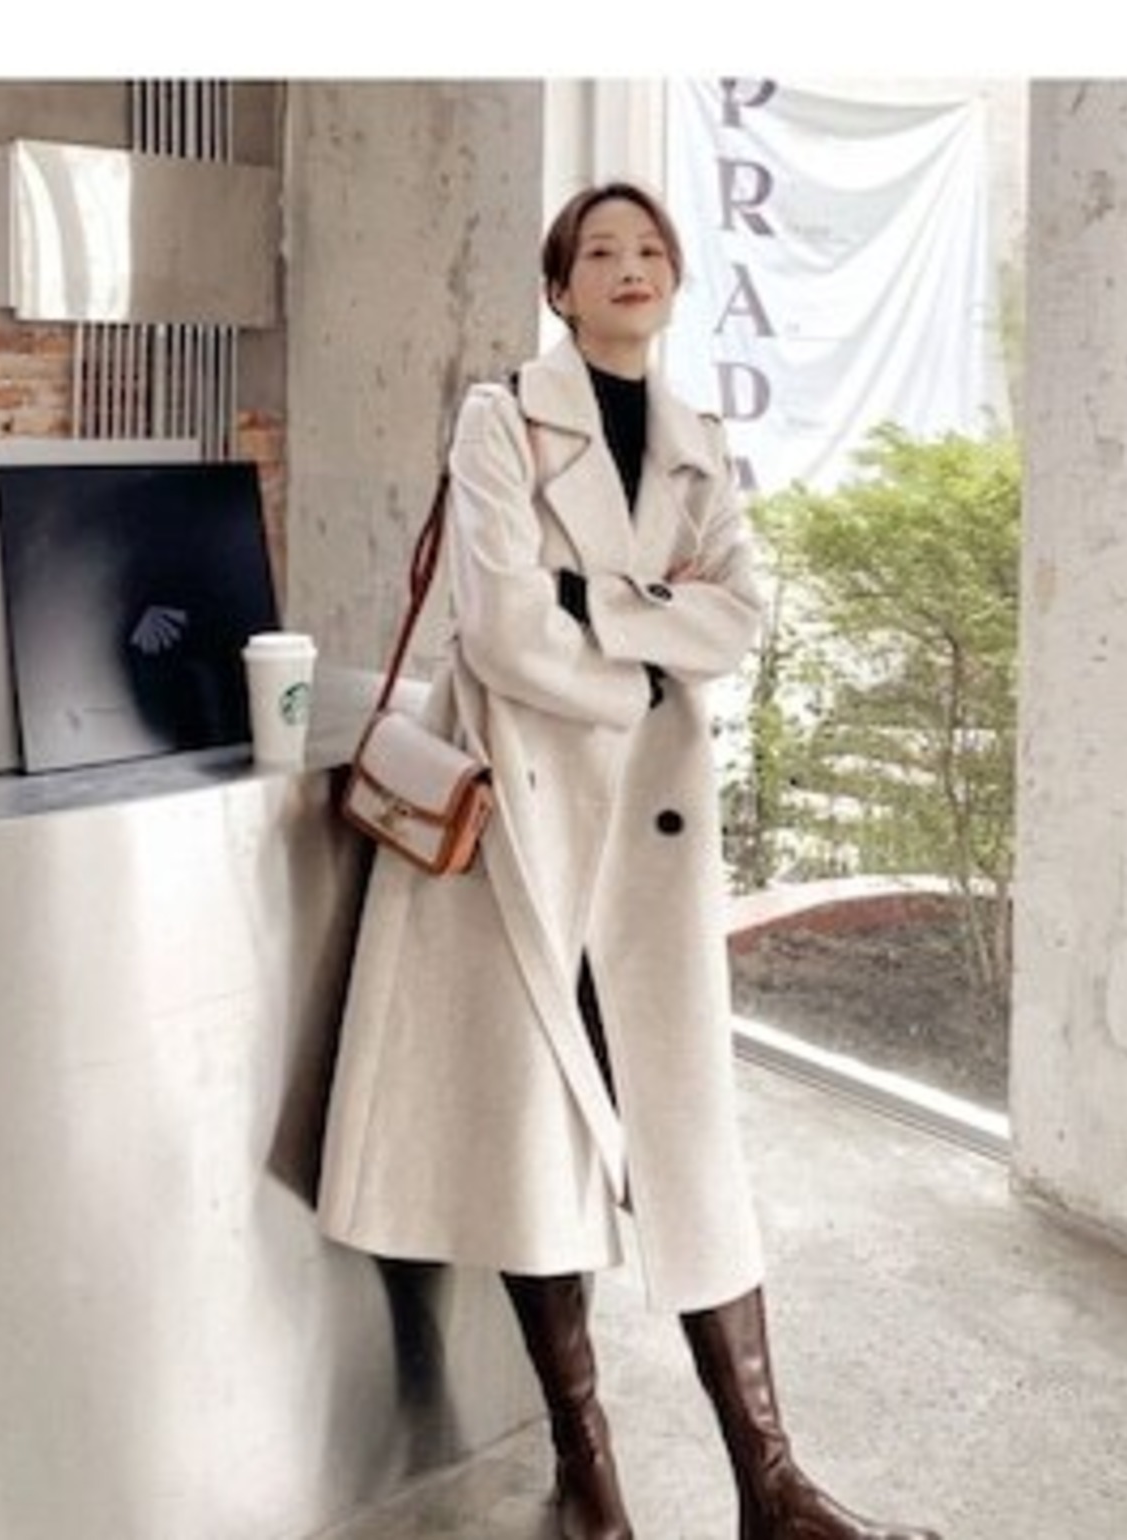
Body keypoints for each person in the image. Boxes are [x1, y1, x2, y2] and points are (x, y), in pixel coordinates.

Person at [317, 179, 942, 1540]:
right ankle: (587, 1472)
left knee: (690, 1144)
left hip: (646, 840)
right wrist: (647, 651)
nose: (629, 266)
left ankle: (771, 1487)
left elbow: (742, 617)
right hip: (526, 828)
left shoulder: (697, 441)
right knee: (538, 1142)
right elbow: (499, 632)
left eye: (650, 249)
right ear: (560, 289)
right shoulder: (500, 418)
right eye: (599, 251)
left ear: (672, 281)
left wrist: (586, 603)